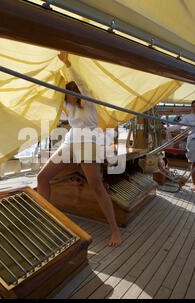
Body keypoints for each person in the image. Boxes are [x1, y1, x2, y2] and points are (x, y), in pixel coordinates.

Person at [37, 52, 121, 247]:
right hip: (71, 141)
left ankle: (115, 230)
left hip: (88, 141)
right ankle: (43, 219)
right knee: (42, 177)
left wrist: (67, 64)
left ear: (75, 93)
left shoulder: (88, 102)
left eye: (68, 94)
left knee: (96, 186)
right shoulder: (69, 107)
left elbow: (81, 83)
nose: (66, 97)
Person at [167, 100, 195, 191]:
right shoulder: (188, 117)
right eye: (193, 106)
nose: (194, 108)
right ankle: (194, 183)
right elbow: (178, 126)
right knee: (194, 162)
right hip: (192, 141)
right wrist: (167, 129)